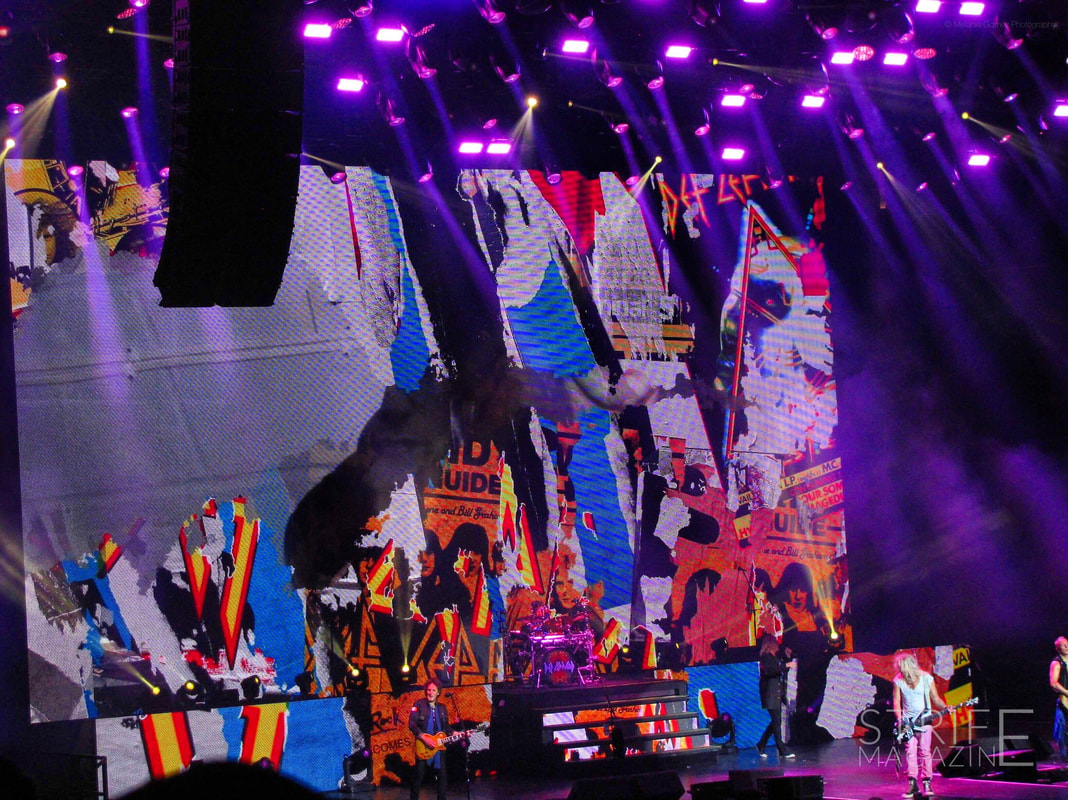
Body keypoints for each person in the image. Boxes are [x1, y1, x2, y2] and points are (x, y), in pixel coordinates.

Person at [893, 652, 946, 799]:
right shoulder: (898, 680)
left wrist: (945, 707)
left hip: (924, 720)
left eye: (902, 668)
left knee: (925, 751)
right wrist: (900, 719)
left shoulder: (926, 678)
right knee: (910, 752)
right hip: (908, 723)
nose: (900, 671)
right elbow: (896, 702)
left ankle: (927, 782)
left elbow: (935, 698)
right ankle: (912, 783)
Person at [408, 678, 454, 800]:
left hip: (439, 746)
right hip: (423, 745)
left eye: (433, 690)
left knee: (442, 776)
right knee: (418, 776)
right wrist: (424, 738)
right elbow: (412, 724)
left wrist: (455, 733)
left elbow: (446, 728)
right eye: (429, 690)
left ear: (438, 692)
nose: (430, 693)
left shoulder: (442, 708)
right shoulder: (418, 704)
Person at [756, 634, 796, 759]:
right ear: (770, 644)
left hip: (777, 693)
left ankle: (761, 744)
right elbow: (770, 671)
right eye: (775, 643)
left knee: (775, 721)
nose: (778, 645)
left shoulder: (774, 657)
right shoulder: (765, 657)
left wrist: (787, 659)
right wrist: (786, 665)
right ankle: (782, 749)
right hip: (770, 694)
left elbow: (781, 670)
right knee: (776, 722)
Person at [1049, 637, 1068, 762]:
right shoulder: (1057, 663)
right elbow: (1054, 683)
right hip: (1064, 700)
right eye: (1063, 645)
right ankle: (1064, 757)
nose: (1066, 647)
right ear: (1058, 648)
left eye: (1067, 644)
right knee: (1061, 730)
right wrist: (1066, 692)